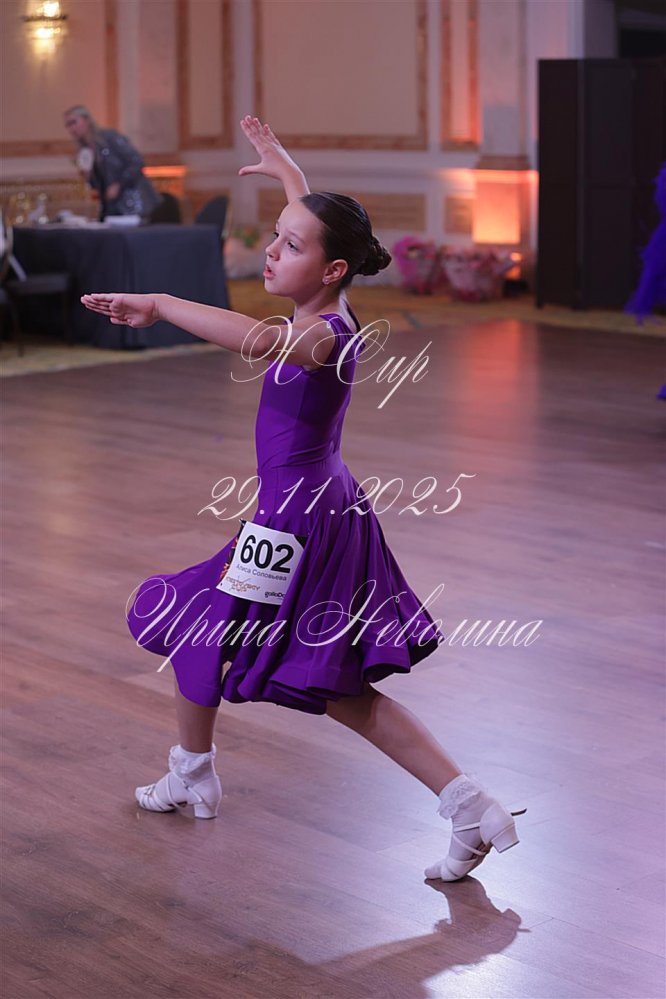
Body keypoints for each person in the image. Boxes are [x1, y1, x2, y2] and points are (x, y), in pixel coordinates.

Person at [81, 115, 526, 882]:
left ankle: (197, 771)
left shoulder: (321, 334)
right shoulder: (324, 300)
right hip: (315, 507)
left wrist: (160, 301)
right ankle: (464, 801)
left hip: (294, 523)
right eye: (276, 237)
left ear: (332, 268)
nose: (271, 249)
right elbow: (308, 222)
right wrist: (286, 167)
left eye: (290, 245)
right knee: (299, 666)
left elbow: (256, 341)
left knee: (215, 630)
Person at [63, 104, 161, 221]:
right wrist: (88, 175)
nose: (72, 129)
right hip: (112, 207)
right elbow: (99, 186)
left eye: (74, 122)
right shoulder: (85, 150)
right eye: (68, 125)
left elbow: (136, 162)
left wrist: (119, 185)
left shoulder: (110, 138)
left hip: (133, 202)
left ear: (87, 120)